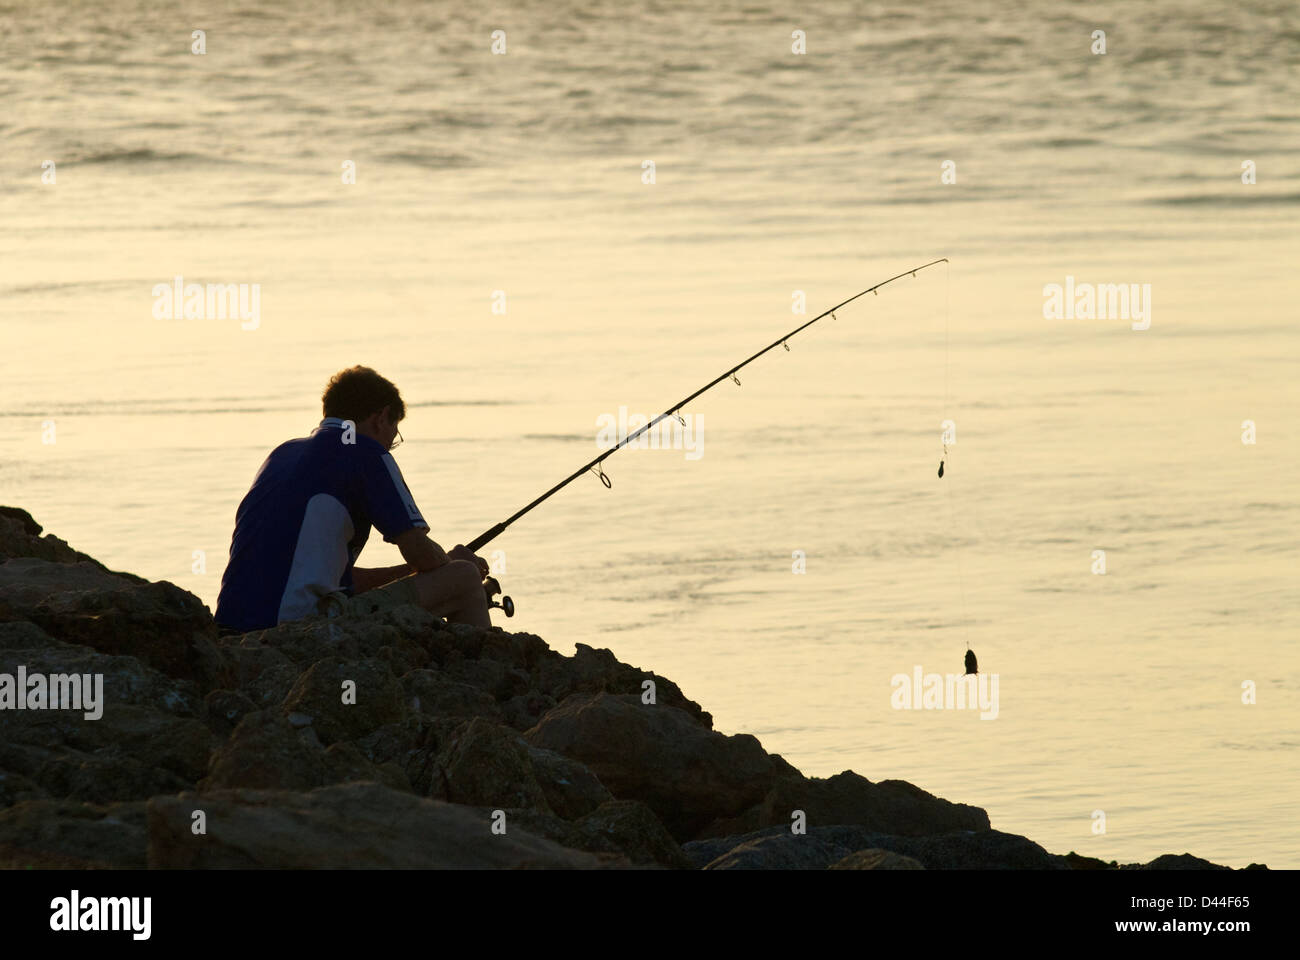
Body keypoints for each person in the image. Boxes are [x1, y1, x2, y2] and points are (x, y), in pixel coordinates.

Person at [214, 365, 491, 633]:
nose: (389, 447)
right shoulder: (367, 453)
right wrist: (450, 561)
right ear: (381, 417)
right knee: (464, 577)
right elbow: (422, 556)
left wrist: (419, 570)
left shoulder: (281, 455)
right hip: (297, 628)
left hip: (232, 629)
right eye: (393, 439)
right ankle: (482, 674)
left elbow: (341, 581)